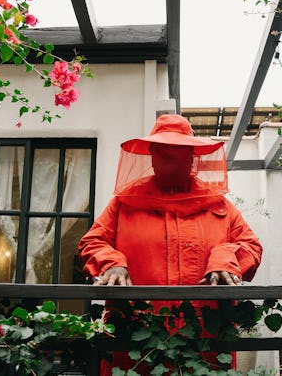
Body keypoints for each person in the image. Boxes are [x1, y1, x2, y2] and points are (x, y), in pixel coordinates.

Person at [78, 114, 263, 374]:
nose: (171, 158)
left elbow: (251, 246)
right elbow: (93, 242)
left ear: (192, 155)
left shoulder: (218, 205)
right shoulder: (124, 202)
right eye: (164, 151)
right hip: (136, 344)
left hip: (204, 344)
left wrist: (226, 257)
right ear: (151, 154)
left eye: (179, 151)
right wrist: (112, 264)